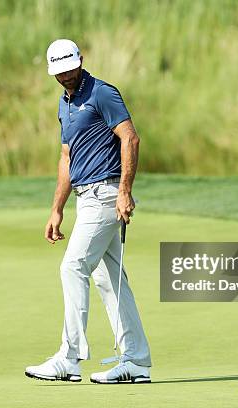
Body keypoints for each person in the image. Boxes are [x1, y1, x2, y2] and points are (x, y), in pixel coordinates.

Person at [24, 39, 152, 384]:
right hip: (85, 198)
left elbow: (130, 138)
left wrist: (124, 190)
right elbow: (68, 157)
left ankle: (69, 357)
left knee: (73, 266)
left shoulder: (102, 93)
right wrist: (57, 209)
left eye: (68, 68)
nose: (64, 76)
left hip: (106, 193)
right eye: (58, 72)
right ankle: (136, 361)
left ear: (80, 61)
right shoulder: (65, 103)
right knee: (108, 278)